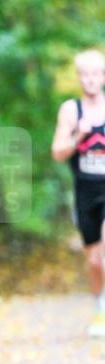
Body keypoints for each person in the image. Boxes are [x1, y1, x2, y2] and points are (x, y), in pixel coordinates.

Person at [51, 48, 105, 337]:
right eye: (85, 74)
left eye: (96, 73)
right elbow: (58, 152)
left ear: (103, 77)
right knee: (94, 260)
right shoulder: (72, 110)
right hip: (85, 191)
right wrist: (78, 136)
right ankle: (100, 308)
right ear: (80, 78)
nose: (91, 80)